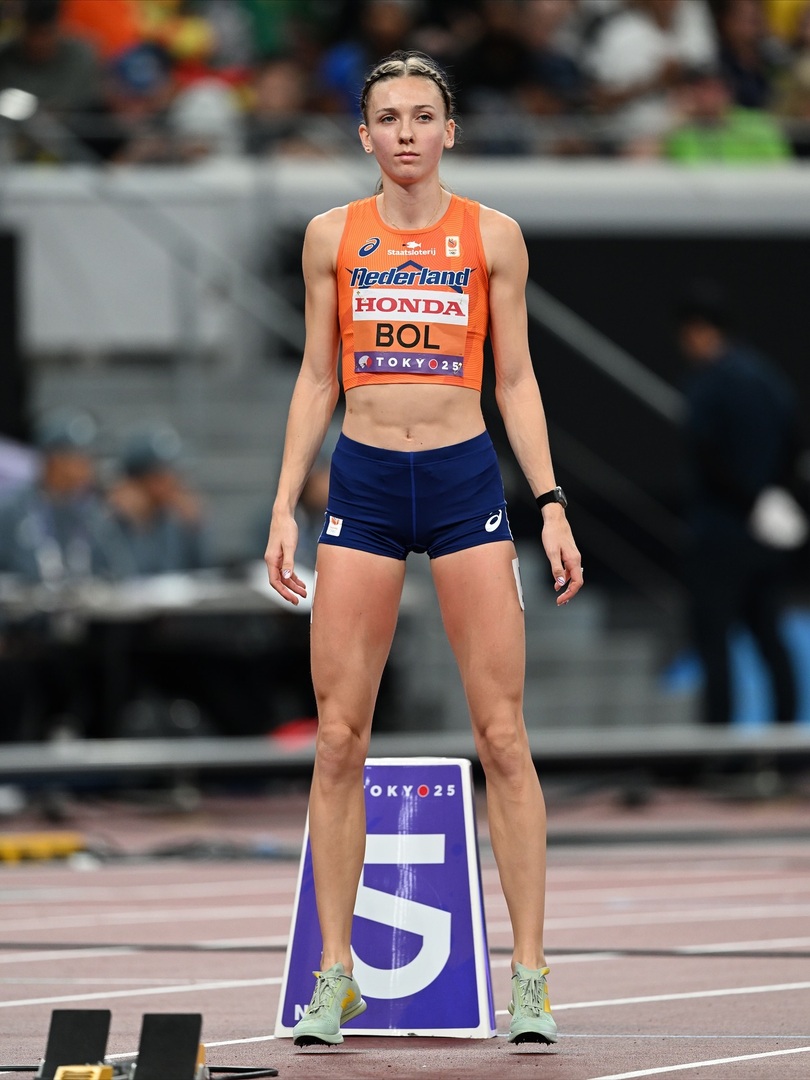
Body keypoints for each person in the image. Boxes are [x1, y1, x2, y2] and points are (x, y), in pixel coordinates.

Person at [265, 50, 582, 1048]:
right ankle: (335, 975)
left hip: (462, 486)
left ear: (449, 131)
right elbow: (318, 375)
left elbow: (518, 381)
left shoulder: (494, 237)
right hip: (361, 483)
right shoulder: (331, 238)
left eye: (423, 115)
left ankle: (530, 978)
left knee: (502, 736)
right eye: (388, 117)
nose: (405, 131)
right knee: (337, 738)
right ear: (363, 137)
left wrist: (553, 501)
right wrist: (282, 505)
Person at [676, 280, 802, 727]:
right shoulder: (769, 379)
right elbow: (793, 445)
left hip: (720, 533)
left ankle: (721, 756)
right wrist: (776, 498)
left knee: (713, 641)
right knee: (770, 636)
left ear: (698, 331)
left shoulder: (709, 384)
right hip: (769, 532)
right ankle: (786, 748)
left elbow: (707, 456)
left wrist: (749, 500)